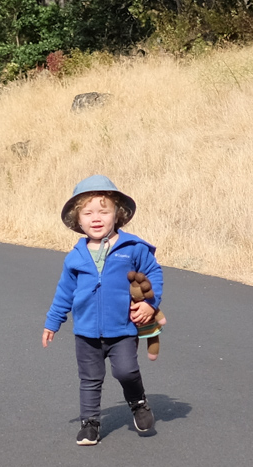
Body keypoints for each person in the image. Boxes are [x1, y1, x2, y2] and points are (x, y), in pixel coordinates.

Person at [41, 175, 163, 445]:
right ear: (79, 220)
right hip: (86, 331)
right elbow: (64, 293)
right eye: (88, 213)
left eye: (103, 211)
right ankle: (90, 424)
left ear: (117, 215)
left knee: (126, 371)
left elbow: (153, 273)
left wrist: (149, 303)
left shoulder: (132, 248)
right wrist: (52, 322)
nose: (96, 218)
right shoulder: (75, 257)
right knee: (90, 379)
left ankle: (138, 402)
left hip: (122, 328)